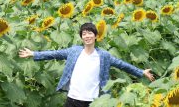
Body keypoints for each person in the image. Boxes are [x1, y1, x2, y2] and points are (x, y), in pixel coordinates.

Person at [19, 22, 155, 107]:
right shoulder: (73, 51)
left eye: (90, 33)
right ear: (81, 37)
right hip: (72, 98)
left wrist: (141, 72)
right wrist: (34, 54)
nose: (87, 36)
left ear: (96, 36)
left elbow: (122, 65)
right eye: (84, 34)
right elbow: (54, 53)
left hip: (93, 101)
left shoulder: (104, 56)